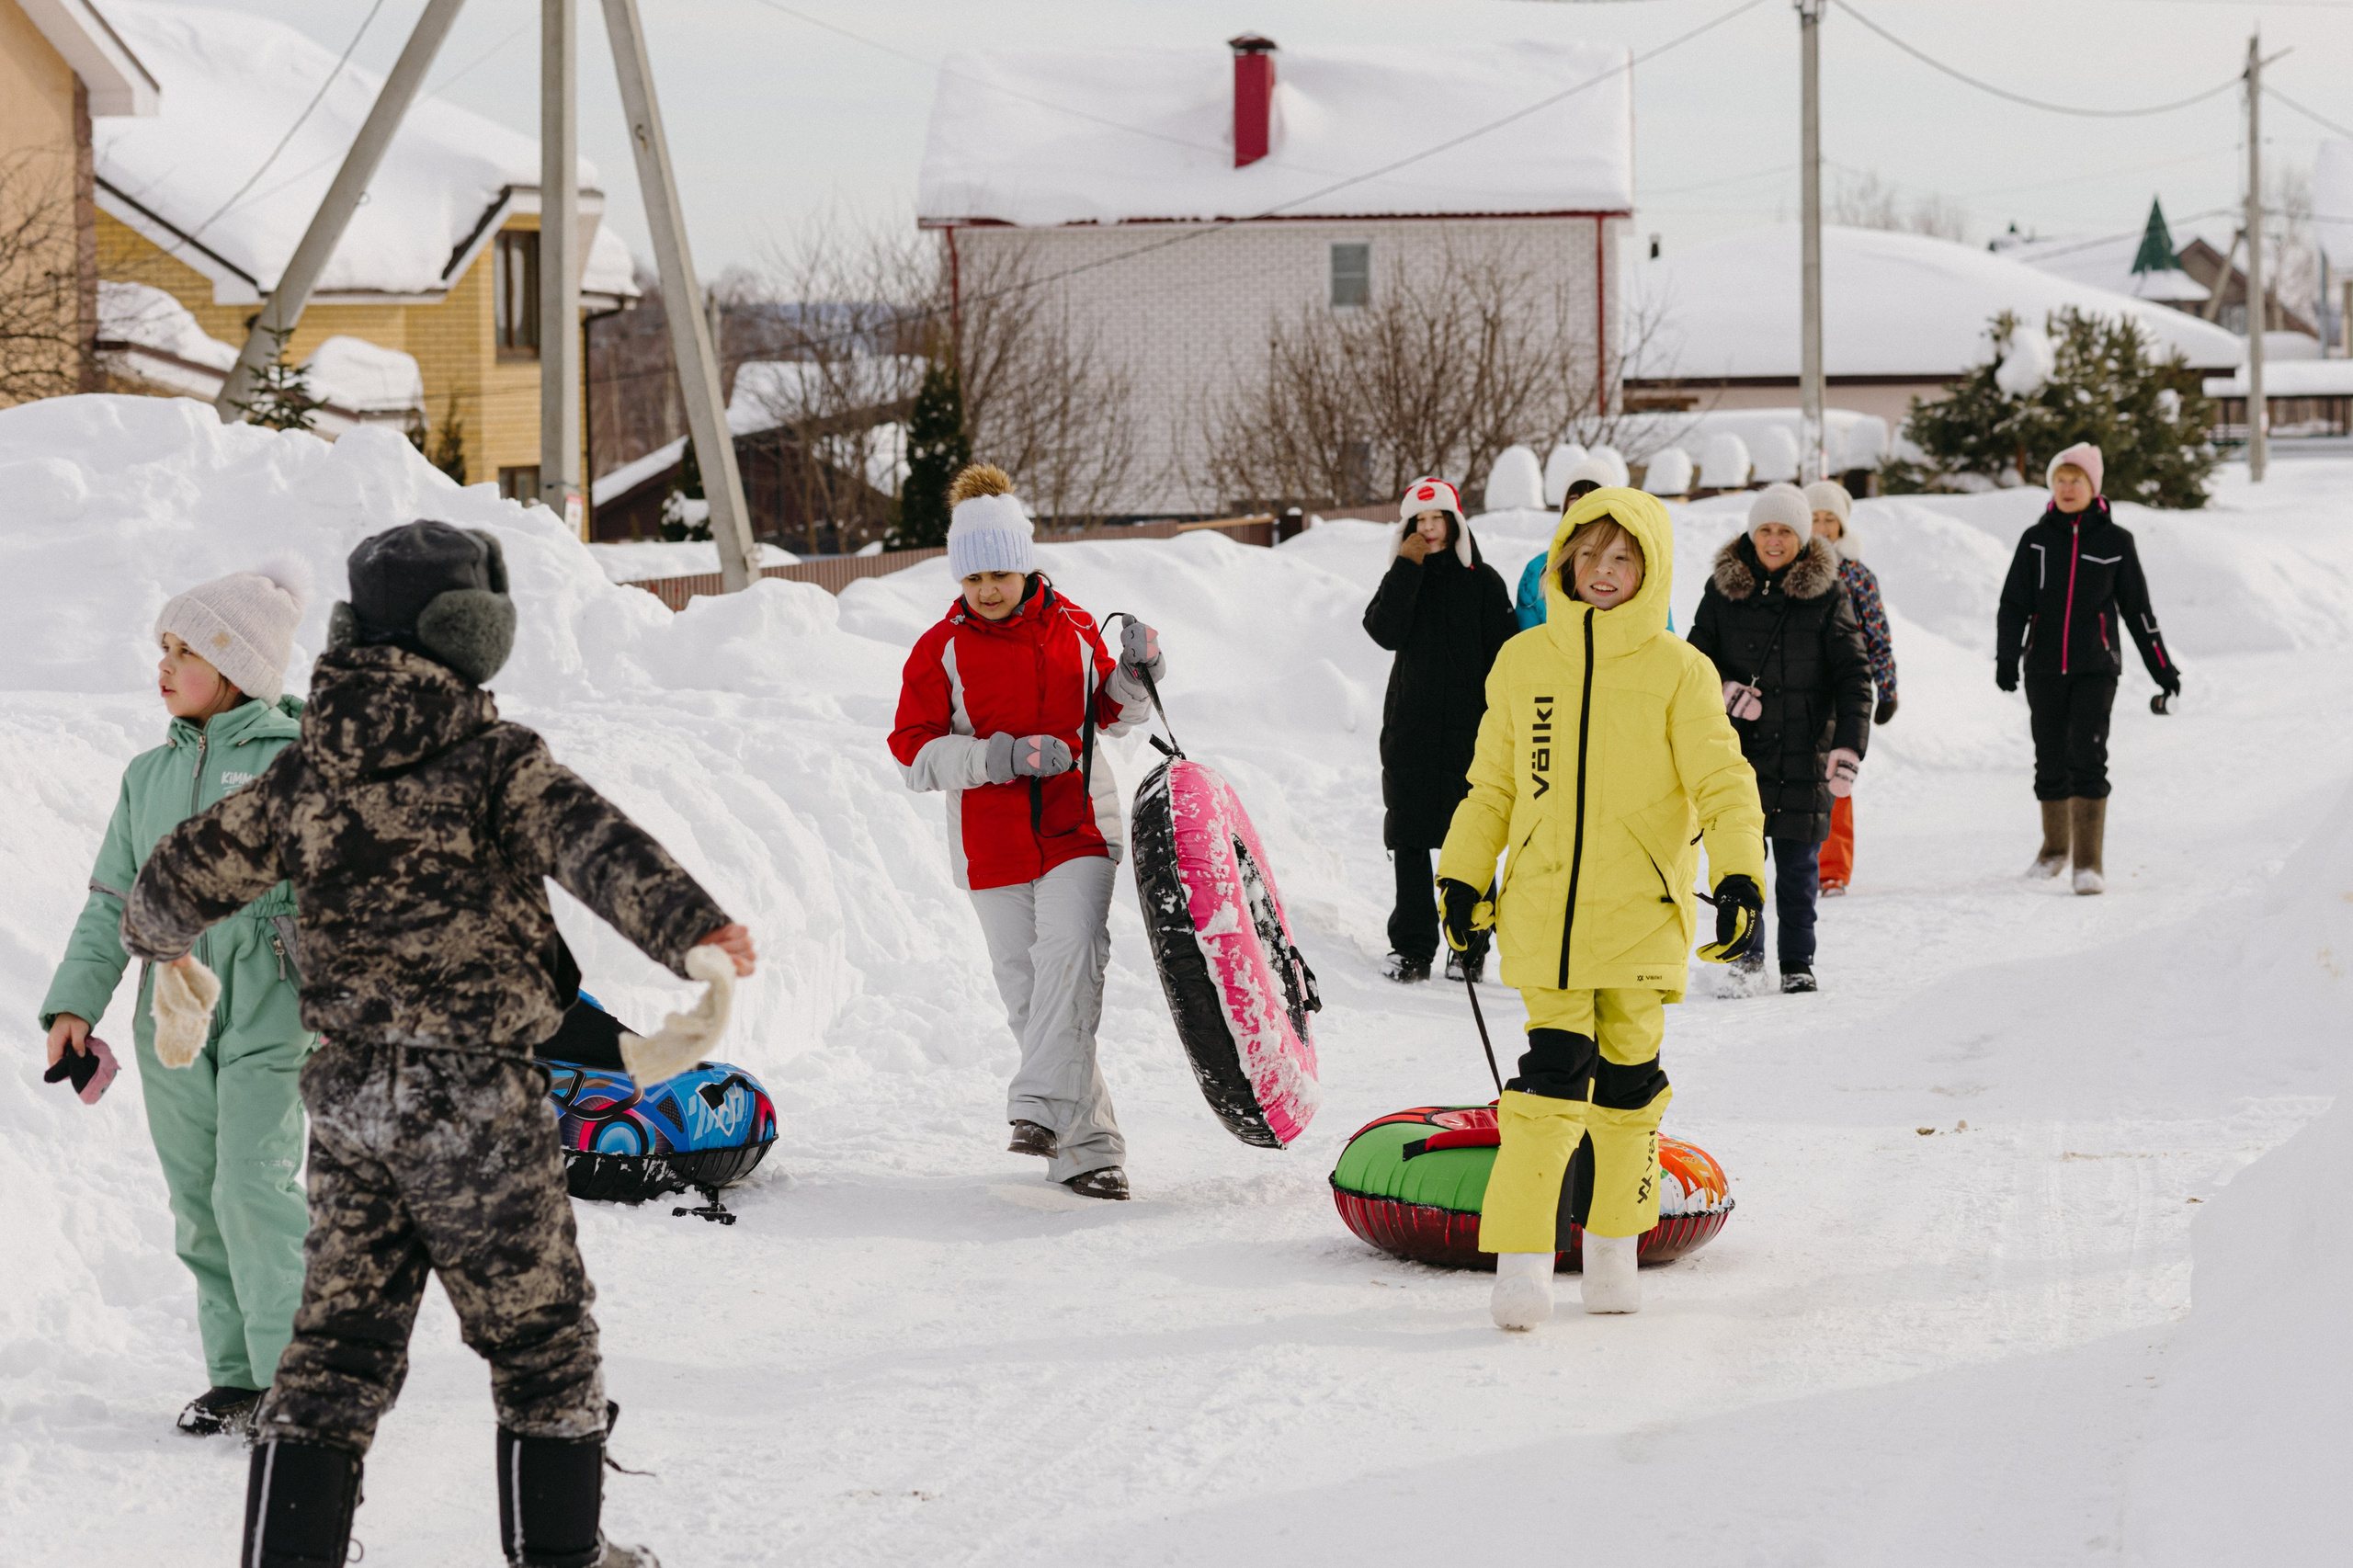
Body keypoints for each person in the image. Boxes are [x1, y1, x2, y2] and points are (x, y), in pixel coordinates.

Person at [120, 521, 754, 1568]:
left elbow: (175, 878)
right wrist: (695, 928)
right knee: (541, 1341)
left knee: (335, 1353)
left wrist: (159, 945)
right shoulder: (497, 762)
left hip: (354, 1103)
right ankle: (561, 1556)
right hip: (478, 1104)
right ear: (473, 632)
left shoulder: (308, 772)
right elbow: (600, 847)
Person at [1435, 487, 1764, 1328]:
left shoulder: (1678, 670)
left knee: (1627, 1087)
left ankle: (1614, 1256)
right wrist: (1463, 878)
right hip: (1545, 912)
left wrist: (1738, 876)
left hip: (1642, 913)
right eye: (1588, 555)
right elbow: (1492, 787)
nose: (1604, 570)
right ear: (1564, 562)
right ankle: (1523, 1266)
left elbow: (1723, 782)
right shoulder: (1524, 662)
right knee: (1548, 1084)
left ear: (1650, 568)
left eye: (1623, 557)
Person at [39, 569, 313, 1439]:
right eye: (163, 646)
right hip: (174, 1006)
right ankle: (236, 1376)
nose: (163, 664)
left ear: (236, 667)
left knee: (252, 1182)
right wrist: (74, 1006)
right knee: (198, 1195)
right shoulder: (146, 776)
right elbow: (111, 901)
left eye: (186, 650)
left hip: (274, 993)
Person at [890, 463, 1162, 1200]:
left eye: (999, 574)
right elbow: (913, 754)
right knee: (1031, 1000)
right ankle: (1088, 1152)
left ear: (1024, 564)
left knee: (1073, 951)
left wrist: (1138, 672)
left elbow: (1110, 712)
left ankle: (1036, 1104)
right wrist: (996, 757)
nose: (987, 590)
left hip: (1079, 827)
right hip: (992, 845)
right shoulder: (940, 649)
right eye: (973, 577)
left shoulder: (1073, 625)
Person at [1687, 484, 1873, 994]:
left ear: (1803, 537)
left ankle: (1797, 963)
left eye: (1785, 531)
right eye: (1765, 530)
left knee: (1797, 869)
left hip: (1804, 751)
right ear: (1752, 534)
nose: (1774, 540)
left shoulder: (1829, 594)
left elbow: (1854, 676)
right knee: (1740, 865)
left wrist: (1848, 746)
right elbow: (1693, 663)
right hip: (1738, 753)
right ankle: (1746, 961)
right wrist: (1724, 691)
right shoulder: (1722, 589)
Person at [1996, 442, 2179, 894]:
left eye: (2075, 480)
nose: (2066, 488)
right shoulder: (2035, 540)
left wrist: (2163, 672)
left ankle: (2088, 863)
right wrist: (2007, 657)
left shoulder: (2116, 542)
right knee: (2048, 757)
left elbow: (2138, 612)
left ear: (2093, 486)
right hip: (2043, 666)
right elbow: (2013, 604)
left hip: (2095, 667)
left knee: (2088, 756)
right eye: (2059, 480)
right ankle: (2055, 850)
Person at [1363, 476, 1516, 984]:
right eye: (1419, 520)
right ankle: (1412, 948)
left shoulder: (1484, 581)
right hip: (1410, 731)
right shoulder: (1405, 576)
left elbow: (1506, 656)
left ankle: (1470, 945)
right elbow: (1383, 631)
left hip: (1471, 736)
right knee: (1409, 838)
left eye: (1437, 519)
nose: (1429, 529)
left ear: (1455, 522)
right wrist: (1406, 568)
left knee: (1472, 838)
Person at [1803, 480, 1898, 896]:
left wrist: (1887, 687)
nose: (1823, 528)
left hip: (1841, 690)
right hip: (1796, 689)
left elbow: (1877, 636)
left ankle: (1832, 870)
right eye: (1815, 519)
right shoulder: (1790, 569)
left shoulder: (1857, 576)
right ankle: (1797, 866)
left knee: (1835, 779)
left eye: (1830, 520)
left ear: (1842, 526)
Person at [1513, 456, 1617, 630]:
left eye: (1593, 496)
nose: (1583, 504)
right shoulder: (1538, 570)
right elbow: (1525, 636)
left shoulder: (1630, 566)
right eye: (1575, 497)